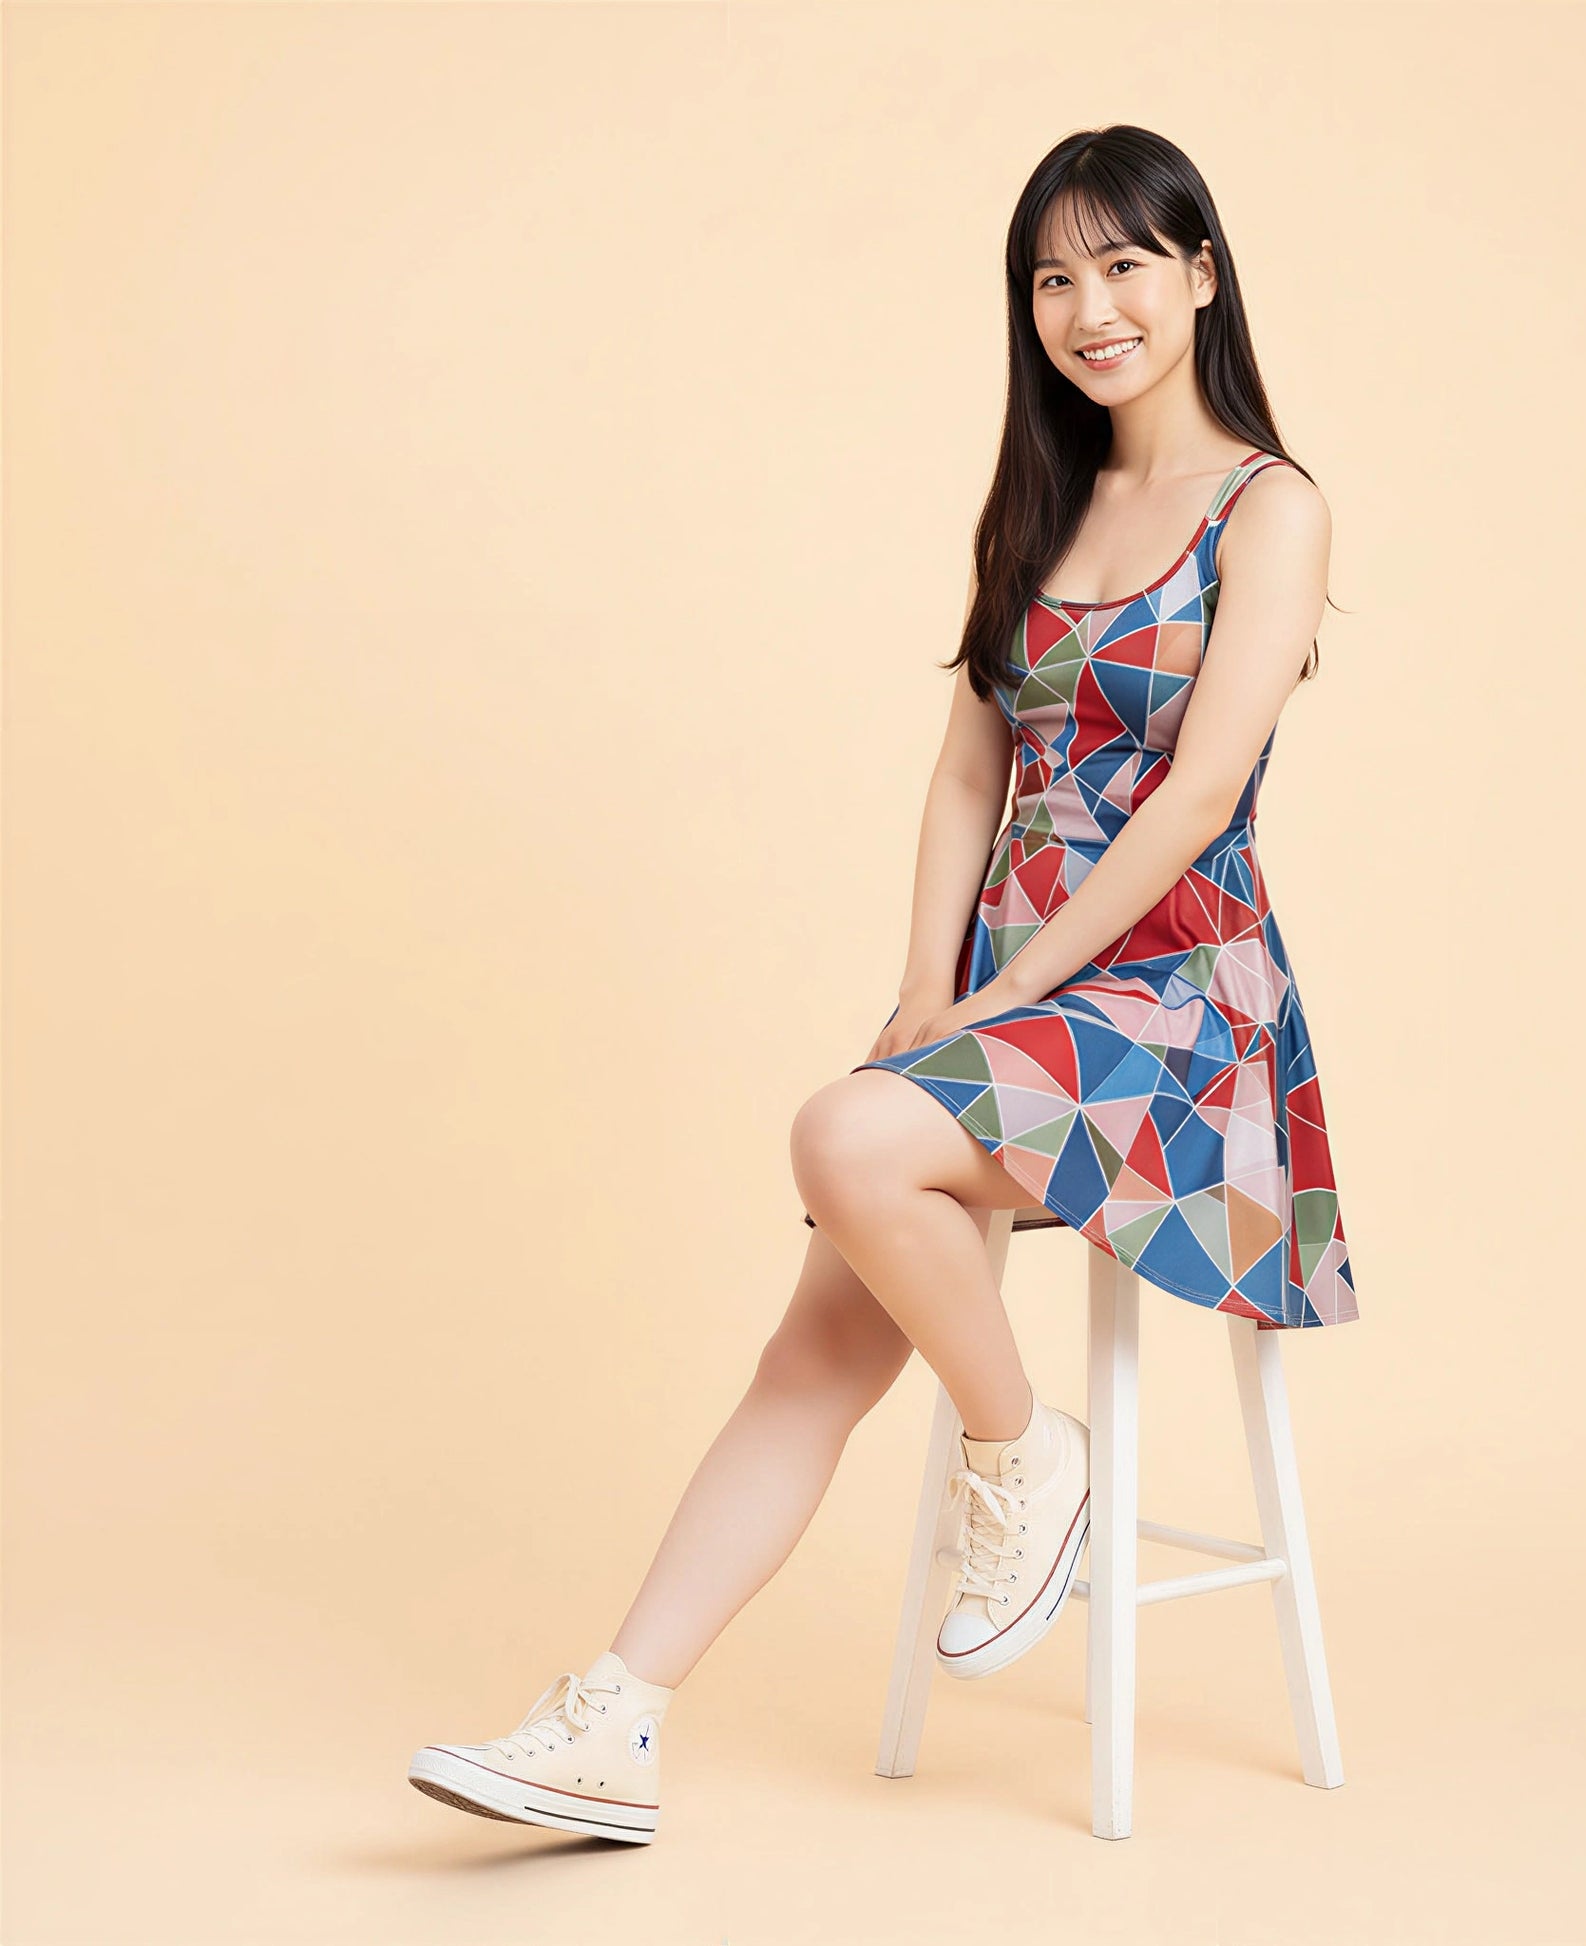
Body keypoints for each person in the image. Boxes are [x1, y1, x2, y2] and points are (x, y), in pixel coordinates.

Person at [407, 122, 1359, 1847]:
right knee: (812, 1349)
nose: (1089, 308)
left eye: (1124, 265)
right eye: (1053, 278)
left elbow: (1197, 795)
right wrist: (932, 986)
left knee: (840, 1143)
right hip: (1013, 1004)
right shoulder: (1040, 502)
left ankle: (1022, 1456)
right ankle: (611, 1719)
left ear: (1201, 272)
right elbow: (958, 780)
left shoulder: (1267, 506)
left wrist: (1007, 998)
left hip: (1177, 1016)